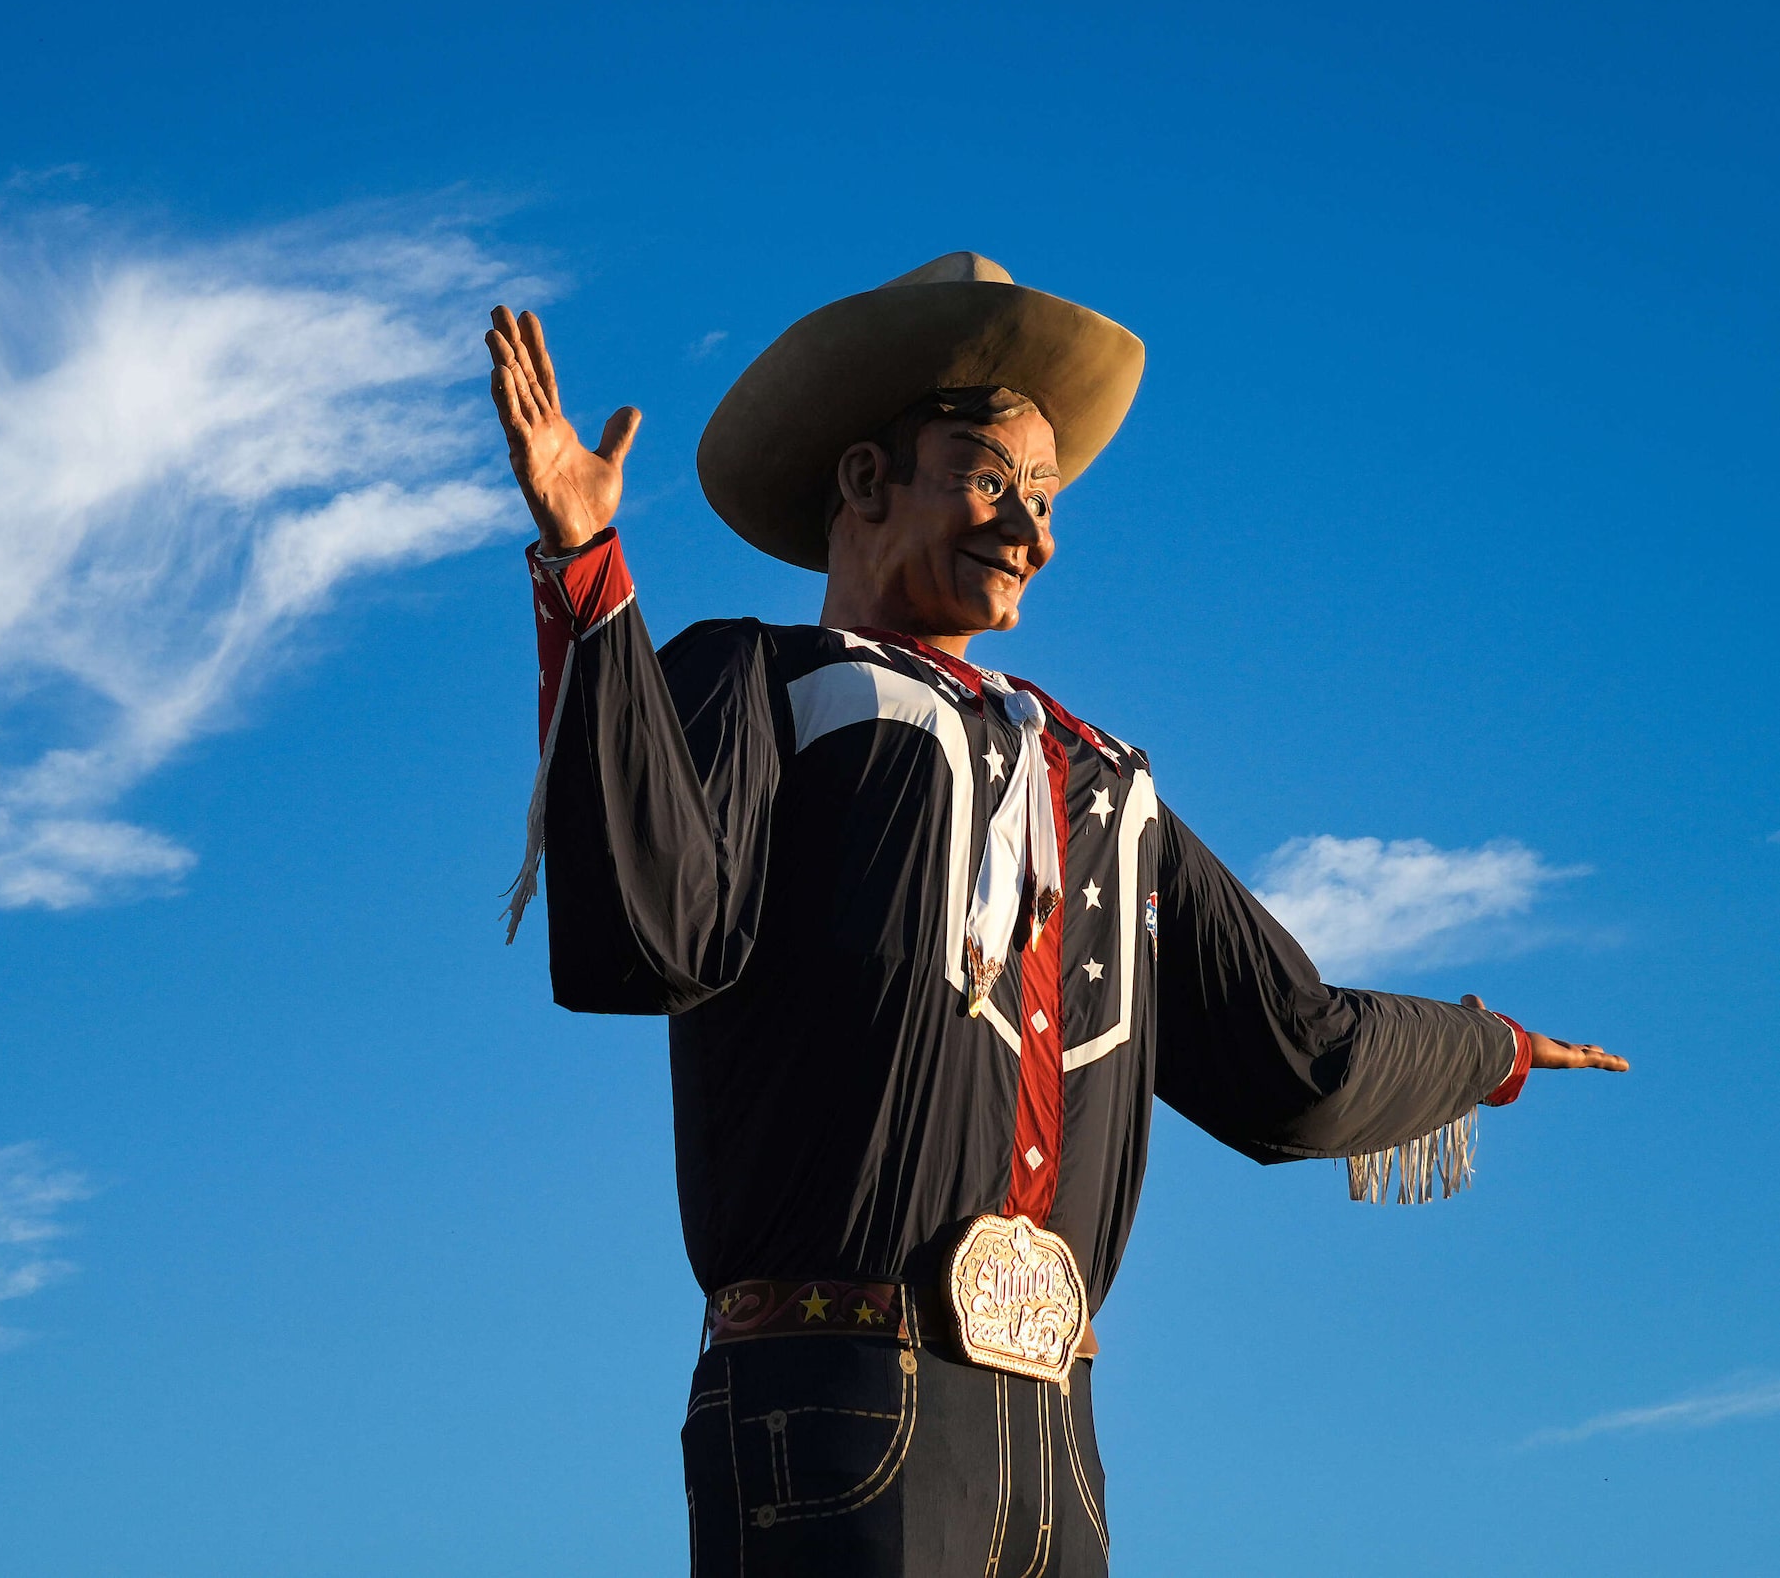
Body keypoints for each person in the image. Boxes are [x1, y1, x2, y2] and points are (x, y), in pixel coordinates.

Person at [485, 252, 1626, 1577]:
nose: (1031, 529)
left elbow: (1292, 1055)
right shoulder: (762, 684)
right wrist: (582, 562)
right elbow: (648, 923)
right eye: (988, 480)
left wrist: (1484, 1051)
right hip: (839, 1395)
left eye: (1044, 495)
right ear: (863, 482)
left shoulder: (1100, 781)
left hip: (1054, 1431)